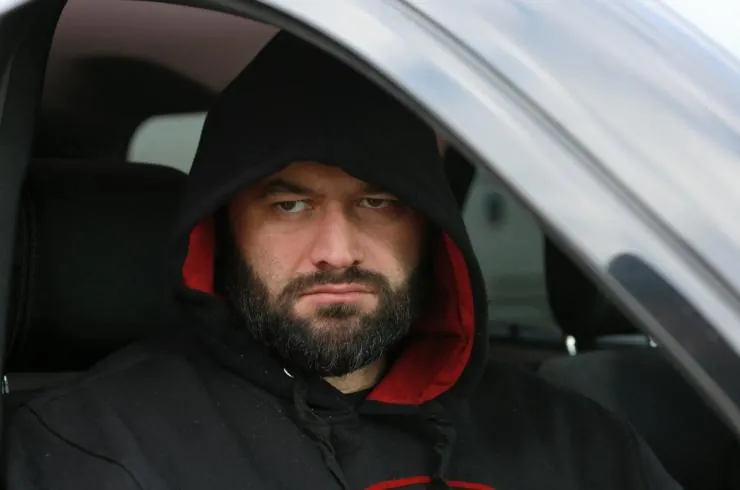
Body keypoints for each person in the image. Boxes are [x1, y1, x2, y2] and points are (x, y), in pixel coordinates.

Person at [3, 32, 681, 490]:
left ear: (431, 228)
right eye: (290, 205)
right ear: (223, 230)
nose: (336, 251)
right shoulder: (101, 447)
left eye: (378, 202)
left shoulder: (575, 445)